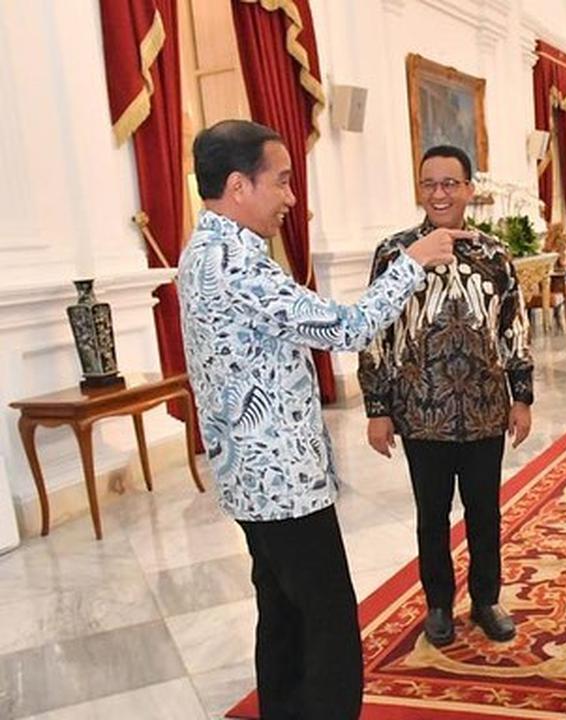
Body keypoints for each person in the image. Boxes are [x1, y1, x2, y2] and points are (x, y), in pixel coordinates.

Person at [178, 119, 457, 719]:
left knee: (280, 610)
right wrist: (413, 263)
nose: (289, 197)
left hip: (248, 474)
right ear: (238, 185)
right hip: (280, 482)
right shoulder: (234, 261)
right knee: (327, 619)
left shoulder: (202, 250)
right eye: (280, 182)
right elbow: (345, 328)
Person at [359, 145, 533, 648]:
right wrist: (378, 409)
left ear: (469, 190)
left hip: (483, 410)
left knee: (485, 512)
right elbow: (377, 333)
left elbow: (514, 329)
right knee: (430, 515)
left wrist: (520, 396)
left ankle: (485, 600)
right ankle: (438, 604)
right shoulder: (395, 254)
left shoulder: (495, 254)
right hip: (420, 411)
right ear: (420, 189)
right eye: (430, 183)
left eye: (450, 183)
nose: (440, 193)